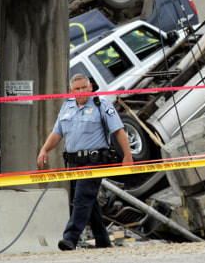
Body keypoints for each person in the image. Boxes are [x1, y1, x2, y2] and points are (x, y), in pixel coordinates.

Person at [37, 73, 133, 251]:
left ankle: (70, 238)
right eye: (77, 89)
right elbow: (57, 133)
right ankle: (102, 239)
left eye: (84, 87)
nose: (81, 91)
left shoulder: (101, 105)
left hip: (94, 161)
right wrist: (44, 150)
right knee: (88, 200)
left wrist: (128, 157)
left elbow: (119, 131)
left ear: (90, 87)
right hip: (73, 163)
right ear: (71, 91)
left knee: (82, 198)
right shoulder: (67, 107)